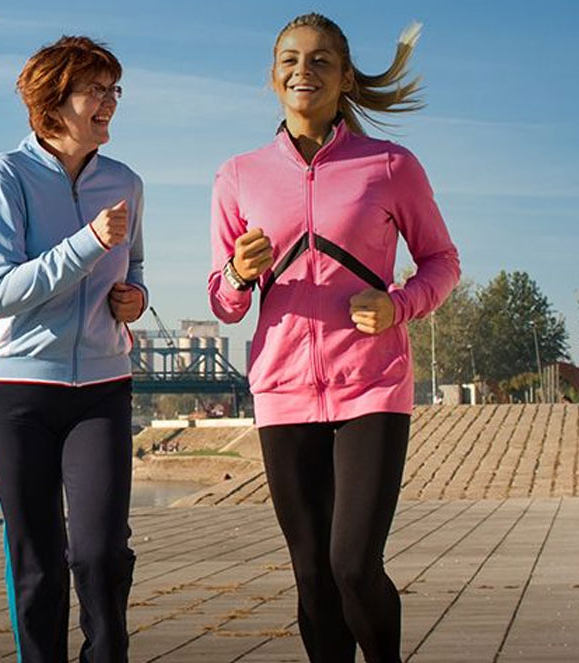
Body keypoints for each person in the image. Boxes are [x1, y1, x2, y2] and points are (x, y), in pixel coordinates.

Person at [207, 13, 460, 663]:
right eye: (290, 59)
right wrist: (239, 271)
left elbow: (442, 262)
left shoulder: (390, 165)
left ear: (346, 77)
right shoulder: (238, 175)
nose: (304, 70)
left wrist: (399, 304)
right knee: (313, 576)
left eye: (321, 60)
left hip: (371, 387)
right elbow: (223, 301)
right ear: (272, 78)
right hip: (283, 392)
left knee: (352, 564)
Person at [0, 36, 146, 663]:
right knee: (39, 560)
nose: (109, 103)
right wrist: (88, 243)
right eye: (95, 90)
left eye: (112, 90)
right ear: (53, 103)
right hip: (15, 389)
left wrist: (136, 299)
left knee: (101, 552)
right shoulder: (6, 176)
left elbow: (138, 268)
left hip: (102, 386)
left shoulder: (125, 182)